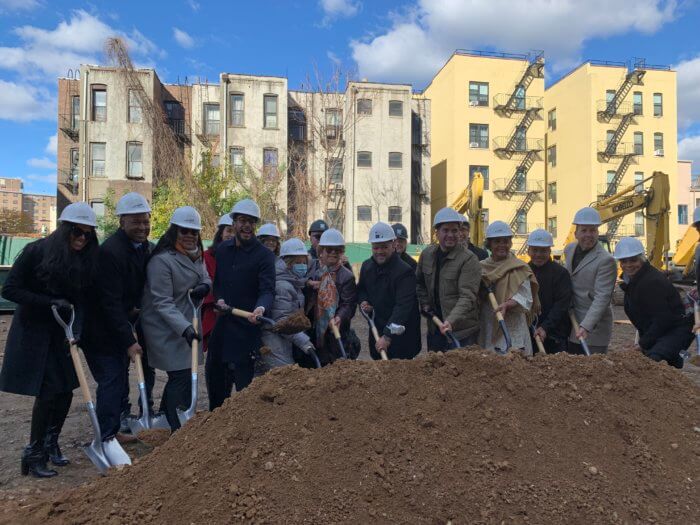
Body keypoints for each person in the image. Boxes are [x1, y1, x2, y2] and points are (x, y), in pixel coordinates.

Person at [0, 202, 98, 477]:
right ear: (64, 229)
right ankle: (33, 453)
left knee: (66, 389)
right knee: (47, 393)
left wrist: (77, 329)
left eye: (88, 234)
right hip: (35, 333)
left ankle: (51, 444)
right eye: (77, 232)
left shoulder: (85, 259)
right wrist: (48, 302)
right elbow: (11, 289)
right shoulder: (36, 252)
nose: (82, 239)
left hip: (63, 334)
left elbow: (83, 300)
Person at [82, 192, 155, 444]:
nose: (142, 227)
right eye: (135, 221)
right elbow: (109, 303)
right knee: (112, 380)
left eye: (145, 221)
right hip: (100, 330)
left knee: (119, 379)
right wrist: (128, 340)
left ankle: (113, 430)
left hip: (119, 323)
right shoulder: (111, 252)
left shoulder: (143, 247)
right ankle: (106, 437)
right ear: (121, 221)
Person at [140, 206, 211, 431]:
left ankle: (167, 418)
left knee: (184, 375)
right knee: (181, 376)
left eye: (194, 232)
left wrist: (205, 286)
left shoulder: (196, 255)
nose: (190, 236)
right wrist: (184, 328)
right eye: (184, 231)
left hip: (187, 321)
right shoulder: (162, 261)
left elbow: (206, 276)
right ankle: (175, 427)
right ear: (174, 232)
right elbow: (162, 302)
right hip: (165, 327)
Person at [208, 199, 275, 404]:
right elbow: (217, 282)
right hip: (222, 326)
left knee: (245, 389)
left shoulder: (263, 255)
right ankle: (215, 422)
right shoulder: (223, 250)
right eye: (242, 221)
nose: (247, 226)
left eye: (251, 222)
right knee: (215, 379)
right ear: (234, 223)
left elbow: (267, 289)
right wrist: (218, 299)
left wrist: (260, 308)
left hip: (247, 328)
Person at [615, 237, 692, 368]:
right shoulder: (634, 281)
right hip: (662, 332)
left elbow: (663, 319)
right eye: (623, 261)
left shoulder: (651, 282)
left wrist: (642, 344)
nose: (628, 265)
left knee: (655, 364)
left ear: (642, 259)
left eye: (633, 260)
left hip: (674, 331)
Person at [416, 207, 481, 350]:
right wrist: (425, 303)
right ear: (436, 233)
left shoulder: (469, 260)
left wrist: (450, 321)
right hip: (435, 329)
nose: (450, 235)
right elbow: (420, 284)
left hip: (462, 333)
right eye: (445, 230)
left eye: (455, 230)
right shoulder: (427, 255)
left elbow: (468, 297)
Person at [358, 222, 421, 360]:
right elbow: (362, 289)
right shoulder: (367, 267)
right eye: (376, 247)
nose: (379, 251)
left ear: (393, 245)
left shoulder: (405, 272)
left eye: (384, 247)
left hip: (402, 336)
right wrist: (364, 302)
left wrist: (387, 336)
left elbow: (403, 307)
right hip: (377, 328)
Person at [479, 221, 540, 354]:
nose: (502, 245)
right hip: (489, 322)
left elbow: (526, 296)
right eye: (497, 241)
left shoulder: (519, 267)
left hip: (513, 325)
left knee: (516, 364)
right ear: (489, 244)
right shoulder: (481, 268)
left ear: (510, 243)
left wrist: (507, 304)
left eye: (505, 241)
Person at [564, 207, 617, 354]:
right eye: (584, 230)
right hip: (572, 321)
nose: (588, 235)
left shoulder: (606, 260)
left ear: (598, 232)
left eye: (592, 230)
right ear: (576, 233)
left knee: (593, 370)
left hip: (594, 328)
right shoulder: (569, 249)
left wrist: (586, 326)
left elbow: (602, 297)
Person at [260, 238, 315, 369]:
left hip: (283, 340)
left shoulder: (293, 282)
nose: (303, 266)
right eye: (298, 262)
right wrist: (304, 342)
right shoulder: (282, 286)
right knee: (284, 378)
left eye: (304, 262)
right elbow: (281, 322)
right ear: (288, 262)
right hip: (274, 342)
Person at [306, 228, 358, 364]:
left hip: (338, 333)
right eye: (329, 250)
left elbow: (349, 304)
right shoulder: (315, 274)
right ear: (321, 251)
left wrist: (339, 317)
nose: (333, 253)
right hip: (316, 332)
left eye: (338, 250)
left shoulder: (347, 276)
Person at [201, 214, 236, 410]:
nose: (231, 235)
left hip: (237, 318)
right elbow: (205, 284)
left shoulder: (241, 256)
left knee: (232, 365)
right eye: (228, 231)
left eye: (234, 231)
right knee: (216, 364)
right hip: (216, 319)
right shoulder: (208, 258)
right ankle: (216, 406)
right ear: (220, 233)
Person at [526, 228, 572, 354]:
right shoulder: (523, 272)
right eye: (535, 250)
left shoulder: (560, 273)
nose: (538, 254)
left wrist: (545, 327)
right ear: (528, 250)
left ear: (549, 251)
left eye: (543, 250)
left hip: (554, 335)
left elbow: (561, 305)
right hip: (529, 334)